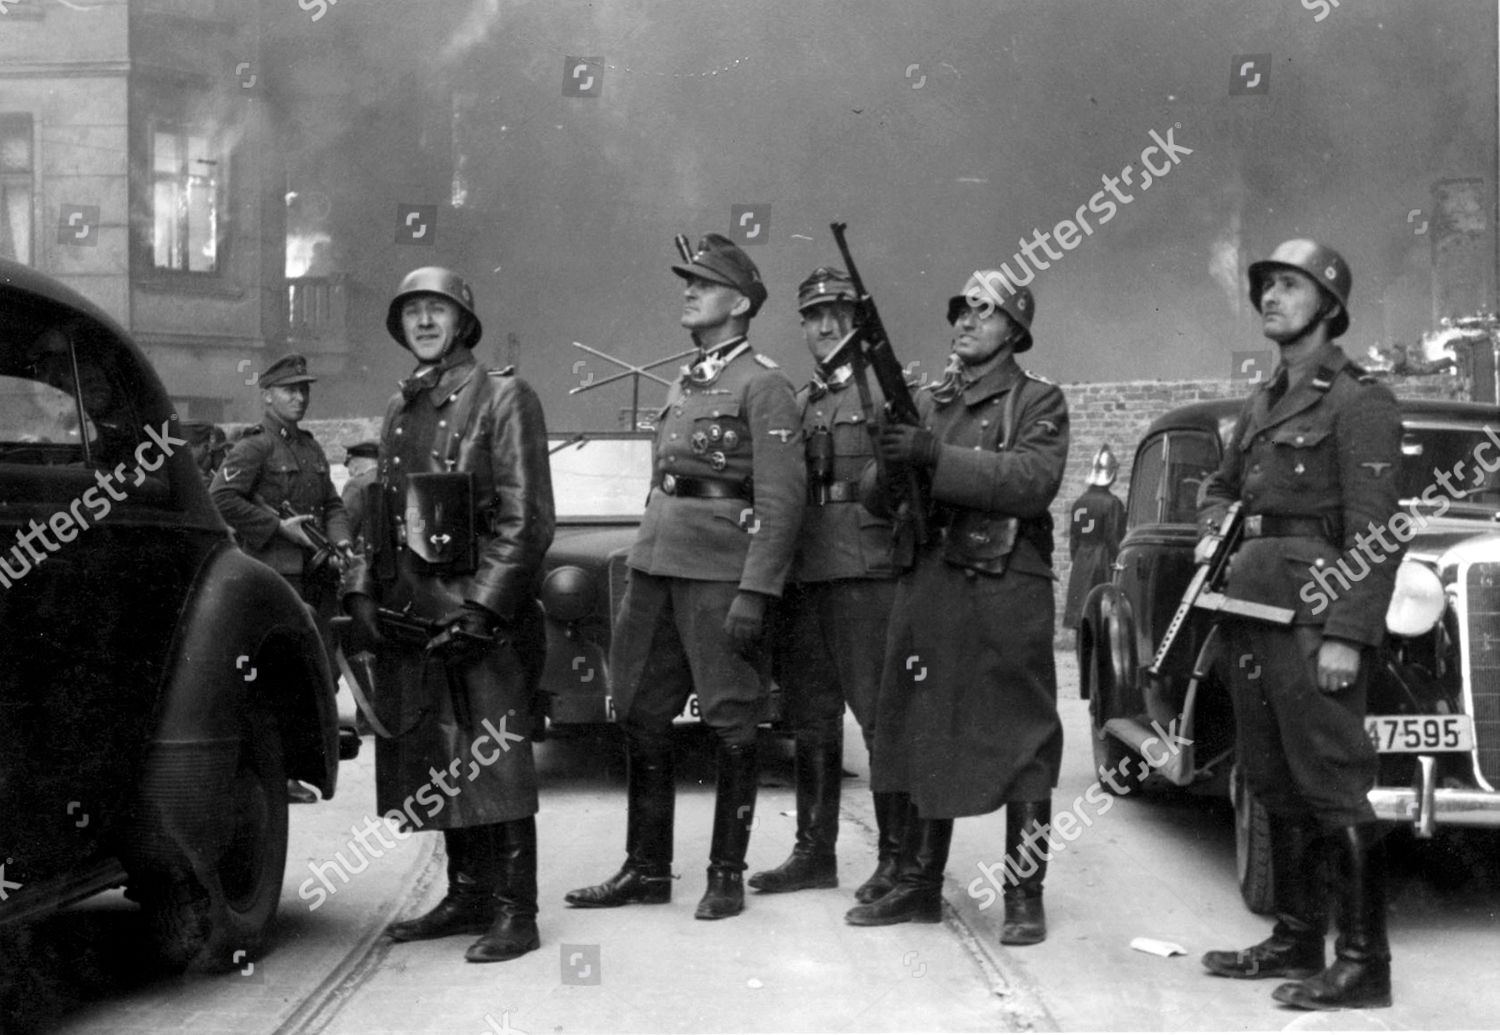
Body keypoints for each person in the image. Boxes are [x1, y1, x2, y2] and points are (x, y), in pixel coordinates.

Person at [565, 233, 805, 920]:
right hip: (656, 565)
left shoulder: (763, 384)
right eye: (688, 282)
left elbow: (782, 502)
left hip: (720, 574)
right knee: (641, 709)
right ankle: (646, 868)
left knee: (732, 719)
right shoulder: (689, 379)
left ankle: (725, 873)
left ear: (739, 302)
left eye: (702, 284)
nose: (688, 292)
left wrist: (756, 590)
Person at [1198, 239, 1402, 1011]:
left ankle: (1362, 961)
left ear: (1329, 302)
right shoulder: (1260, 402)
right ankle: (1294, 936)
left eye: (1289, 285)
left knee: (1333, 780)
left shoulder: (1358, 400)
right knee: (1273, 775)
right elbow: (1218, 491)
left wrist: (1349, 631)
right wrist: (1216, 525)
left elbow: (1379, 530)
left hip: (1317, 617)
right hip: (1253, 614)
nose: (1271, 298)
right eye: (1266, 287)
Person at [845, 270, 1069, 946]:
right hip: (932, 583)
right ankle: (917, 883)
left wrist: (934, 454)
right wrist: (891, 461)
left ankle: (1024, 897)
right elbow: (869, 496)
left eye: (983, 310)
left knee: (1023, 740)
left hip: (1005, 585)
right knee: (922, 728)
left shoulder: (1037, 399)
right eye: (960, 310)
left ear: (1015, 328)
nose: (965, 321)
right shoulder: (930, 400)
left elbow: (1031, 481)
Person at [341, 267, 555, 964]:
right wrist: (363, 590)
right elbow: (381, 512)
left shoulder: (503, 397)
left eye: (437, 310)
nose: (424, 322)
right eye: (412, 312)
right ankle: (467, 892)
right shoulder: (403, 407)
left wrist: (485, 606)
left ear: (464, 321)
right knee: (440, 754)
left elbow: (527, 521)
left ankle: (516, 910)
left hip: (479, 614)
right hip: (414, 610)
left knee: (496, 755)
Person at [748, 266, 902, 901]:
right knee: (810, 719)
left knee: (880, 718)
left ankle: (898, 859)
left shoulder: (885, 394)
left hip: (866, 574)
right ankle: (814, 854)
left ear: (858, 319)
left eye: (838, 311)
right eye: (814, 316)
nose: (826, 325)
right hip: (808, 576)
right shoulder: (804, 401)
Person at [211, 353, 350, 805]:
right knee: (277, 677)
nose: (299, 396)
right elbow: (221, 499)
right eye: (289, 389)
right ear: (267, 395)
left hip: (316, 577)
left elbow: (332, 504)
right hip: (277, 579)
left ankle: (302, 764)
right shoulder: (255, 447)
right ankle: (277, 774)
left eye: (304, 389)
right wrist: (276, 528)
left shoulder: (309, 448)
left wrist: (341, 541)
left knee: (320, 673)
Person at [1061, 444, 1127, 629]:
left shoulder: (1079, 502)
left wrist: (1080, 558)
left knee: (1082, 613)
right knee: (1100, 614)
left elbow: (1074, 540)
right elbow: (1113, 539)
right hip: (1101, 560)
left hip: (1082, 559)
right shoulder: (1112, 503)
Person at [340, 440, 380, 547]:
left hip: (363, 554)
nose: (349, 472)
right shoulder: (388, 479)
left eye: (348, 465)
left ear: (354, 463)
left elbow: (345, 525)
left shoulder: (355, 485)